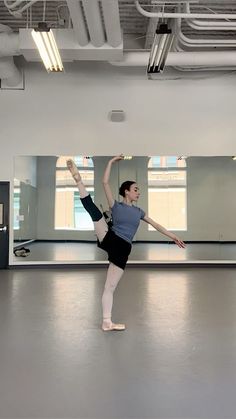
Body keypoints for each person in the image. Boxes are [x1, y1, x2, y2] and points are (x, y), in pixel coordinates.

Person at [67, 155, 185, 332]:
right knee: (94, 211)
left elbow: (156, 225)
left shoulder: (139, 211)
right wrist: (111, 162)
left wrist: (173, 236)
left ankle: (107, 322)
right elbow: (105, 182)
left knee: (110, 287)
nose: (138, 192)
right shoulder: (115, 205)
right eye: (136, 189)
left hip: (122, 249)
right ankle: (78, 181)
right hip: (109, 237)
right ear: (126, 192)